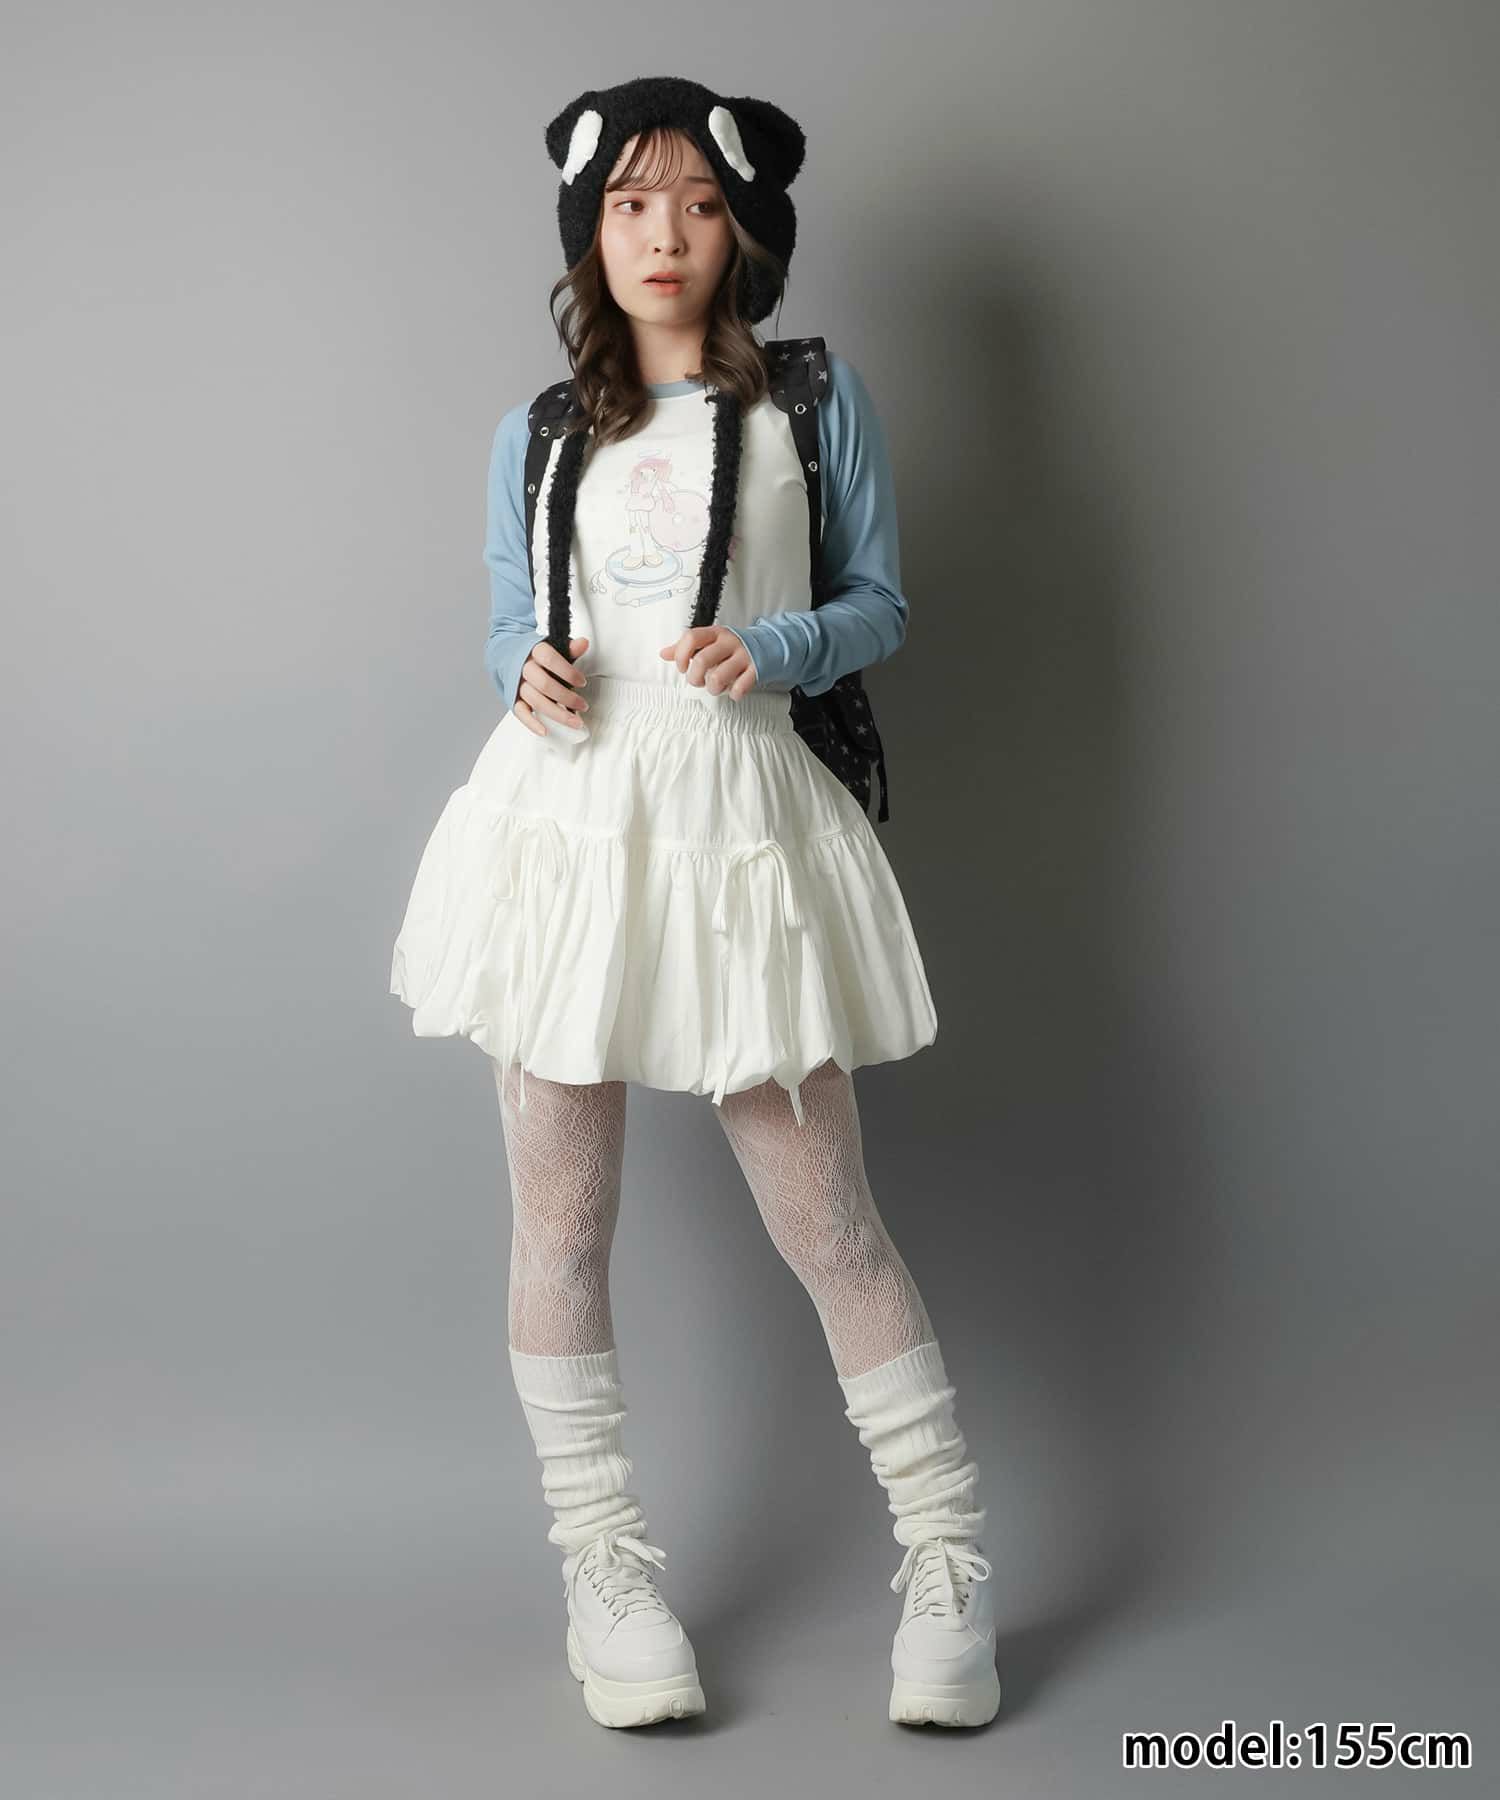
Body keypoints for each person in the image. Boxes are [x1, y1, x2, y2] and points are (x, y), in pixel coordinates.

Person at [389, 74, 1000, 1731]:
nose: (664, 234)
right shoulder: (538, 429)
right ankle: (605, 1570)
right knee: (560, 1224)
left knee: (832, 1224)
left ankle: (948, 1559)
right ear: (590, 230)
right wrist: (520, 669)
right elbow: (507, 617)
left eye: (699, 203)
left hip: (740, 827)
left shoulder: (811, 400)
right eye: (630, 204)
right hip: (569, 831)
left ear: (745, 229)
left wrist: (781, 646)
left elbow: (876, 600)